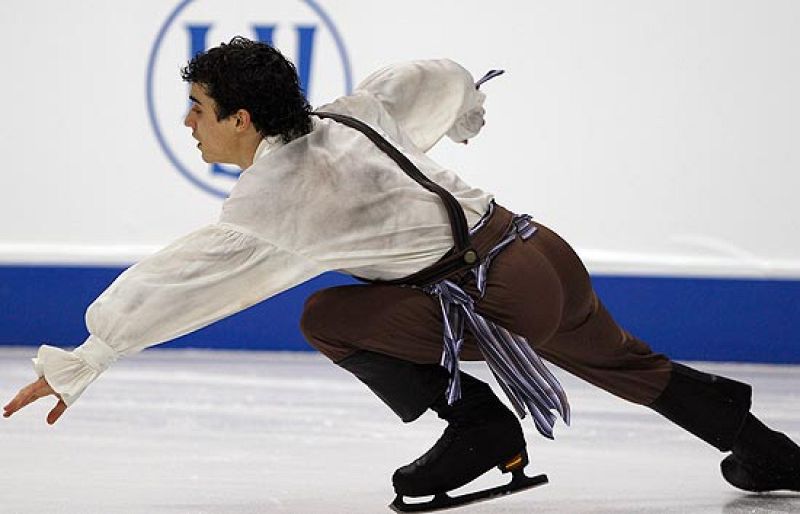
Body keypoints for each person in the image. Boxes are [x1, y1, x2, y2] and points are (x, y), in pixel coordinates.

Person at [4, 37, 798, 510]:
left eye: (199, 108)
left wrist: (88, 356)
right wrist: (463, 113)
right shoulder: (352, 110)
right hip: (539, 250)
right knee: (628, 362)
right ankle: (769, 453)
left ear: (241, 119)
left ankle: (481, 430)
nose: (189, 123)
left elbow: (181, 282)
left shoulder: (279, 195)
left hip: (496, 298)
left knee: (329, 318)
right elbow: (437, 77)